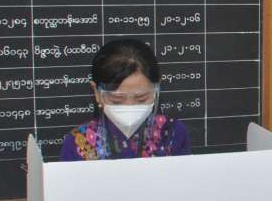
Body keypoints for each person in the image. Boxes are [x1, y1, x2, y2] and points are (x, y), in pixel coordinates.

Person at [60, 39, 191, 161]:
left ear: (156, 89)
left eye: (141, 99)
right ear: (97, 93)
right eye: (116, 100)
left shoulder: (172, 133)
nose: (130, 106)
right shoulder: (78, 142)